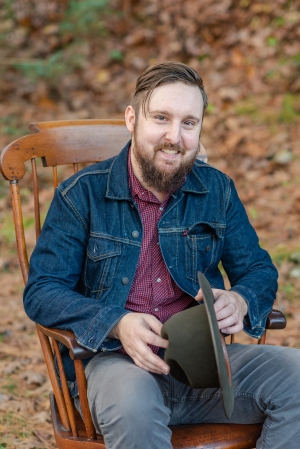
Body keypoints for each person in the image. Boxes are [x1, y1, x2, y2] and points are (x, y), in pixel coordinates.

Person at [23, 62, 300, 449]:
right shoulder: (81, 196)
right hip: (116, 367)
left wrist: (241, 299)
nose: (175, 136)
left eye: (189, 123)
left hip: (203, 369)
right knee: (134, 402)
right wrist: (116, 322)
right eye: (161, 118)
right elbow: (43, 290)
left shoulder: (216, 191)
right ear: (132, 119)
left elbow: (257, 269)